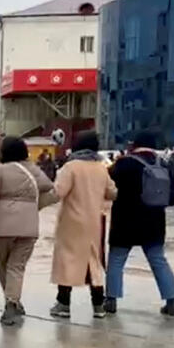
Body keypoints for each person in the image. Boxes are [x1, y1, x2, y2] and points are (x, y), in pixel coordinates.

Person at [0, 136, 55, 326]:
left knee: (3, 265)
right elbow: (49, 187)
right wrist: (33, 204)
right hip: (28, 226)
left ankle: (11, 302)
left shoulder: (0, 171)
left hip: (1, 226)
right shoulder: (34, 170)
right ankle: (12, 301)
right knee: (17, 266)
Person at [105, 130, 174, 316]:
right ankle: (172, 301)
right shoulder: (162, 163)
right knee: (158, 260)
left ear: (135, 145)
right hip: (154, 221)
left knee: (116, 260)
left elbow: (107, 181)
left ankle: (111, 300)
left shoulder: (124, 163)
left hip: (125, 220)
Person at [49, 132, 117, 319]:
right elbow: (112, 192)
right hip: (94, 221)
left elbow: (59, 191)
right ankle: (98, 306)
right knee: (93, 261)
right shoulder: (101, 168)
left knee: (67, 260)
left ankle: (63, 304)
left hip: (71, 221)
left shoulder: (70, 167)